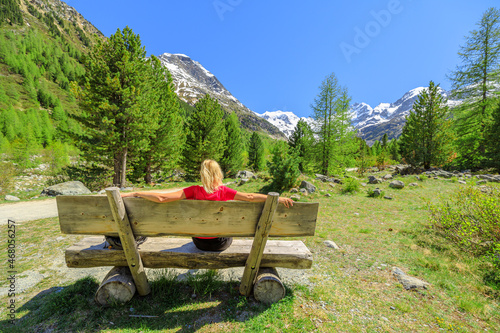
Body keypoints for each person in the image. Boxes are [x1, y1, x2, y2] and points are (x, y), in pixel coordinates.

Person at [118, 159, 294, 251]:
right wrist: (276, 199)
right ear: (218, 174)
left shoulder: (193, 190)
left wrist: (136, 193)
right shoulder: (225, 191)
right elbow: (249, 197)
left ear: (203, 175)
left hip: (199, 243)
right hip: (219, 243)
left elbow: (163, 198)